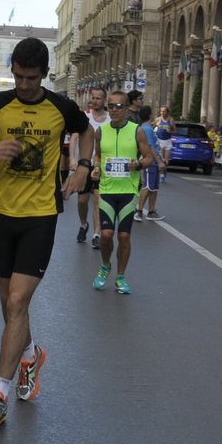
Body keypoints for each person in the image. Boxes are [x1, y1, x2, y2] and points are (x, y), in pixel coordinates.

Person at [0, 37, 94, 426]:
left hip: (41, 214)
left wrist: (83, 166)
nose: (22, 84)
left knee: (17, 303)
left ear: (44, 75)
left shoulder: (60, 107)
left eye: (30, 78)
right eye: (17, 76)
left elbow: (88, 132)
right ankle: (32, 354)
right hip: (1, 214)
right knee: (8, 305)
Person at [92, 91, 153, 293]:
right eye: (111, 106)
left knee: (124, 236)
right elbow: (98, 156)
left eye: (119, 106)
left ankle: (120, 276)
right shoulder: (100, 132)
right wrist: (95, 167)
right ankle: (105, 266)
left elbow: (148, 158)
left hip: (128, 191)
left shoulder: (137, 131)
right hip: (107, 190)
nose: (115, 110)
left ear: (126, 109)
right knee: (107, 235)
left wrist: (138, 165)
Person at [73, 86, 108, 245]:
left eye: (98, 98)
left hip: (101, 165)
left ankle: (96, 234)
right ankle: (83, 224)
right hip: (85, 164)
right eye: (93, 97)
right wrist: (73, 159)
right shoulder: (84, 117)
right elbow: (74, 137)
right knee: (82, 201)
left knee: (98, 200)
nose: (94, 101)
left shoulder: (109, 119)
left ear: (104, 100)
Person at [134, 104, 165, 220]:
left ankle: (151, 211)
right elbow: (150, 147)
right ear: (149, 115)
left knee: (154, 187)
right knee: (147, 186)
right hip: (151, 162)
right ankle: (139, 211)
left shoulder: (148, 128)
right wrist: (158, 161)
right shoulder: (146, 129)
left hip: (155, 161)